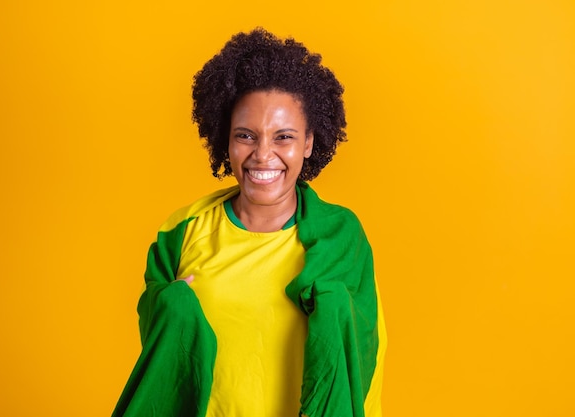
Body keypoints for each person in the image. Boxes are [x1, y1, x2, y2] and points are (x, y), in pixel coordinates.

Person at [112, 28, 387, 417]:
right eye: (246, 135)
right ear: (225, 139)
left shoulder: (341, 237)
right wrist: (172, 305)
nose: (262, 155)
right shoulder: (184, 231)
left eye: (284, 137)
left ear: (308, 142)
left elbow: (364, 351)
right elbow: (162, 365)